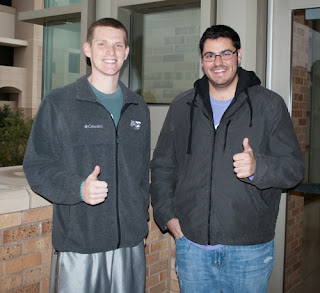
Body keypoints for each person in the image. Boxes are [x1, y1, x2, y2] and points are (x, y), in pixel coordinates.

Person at [150, 24, 305, 293]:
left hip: (249, 250)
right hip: (193, 247)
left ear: (239, 55)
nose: (218, 62)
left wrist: (259, 167)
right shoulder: (182, 106)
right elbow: (163, 166)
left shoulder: (269, 105)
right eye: (210, 55)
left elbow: (294, 169)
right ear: (202, 60)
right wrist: (169, 218)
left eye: (225, 53)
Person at [23, 18, 150, 293]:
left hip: (130, 245)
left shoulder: (138, 107)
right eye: (102, 44)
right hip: (80, 246)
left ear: (126, 52)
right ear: (87, 49)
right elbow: (37, 165)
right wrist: (78, 188)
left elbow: (141, 175)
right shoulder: (59, 103)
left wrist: (140, 224)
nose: (111, 52)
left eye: (118, 45)